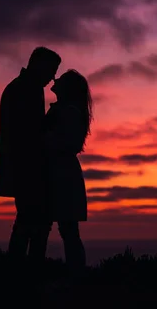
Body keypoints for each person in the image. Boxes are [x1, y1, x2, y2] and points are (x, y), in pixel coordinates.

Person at [0, 47, 61, 260]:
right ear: (39, 65)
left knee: (30, 221)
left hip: (26, 168)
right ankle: (25, 276)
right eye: (51, 70)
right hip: (27, 168)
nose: (53, 77)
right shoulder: (25, 89)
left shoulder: (24, 87)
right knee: (32, 222)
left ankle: (23, 273)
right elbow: (29, 133)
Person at [42, 69, 92, 276]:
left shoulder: (69, 111)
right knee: (66, 229)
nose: (55, 79)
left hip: (62, 174)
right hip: (59, 171)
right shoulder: (66, 109)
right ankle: (76, 275)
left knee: (67, 229)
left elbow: (68, 143)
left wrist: (43, 140)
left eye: (60, 79)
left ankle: (76, 277)